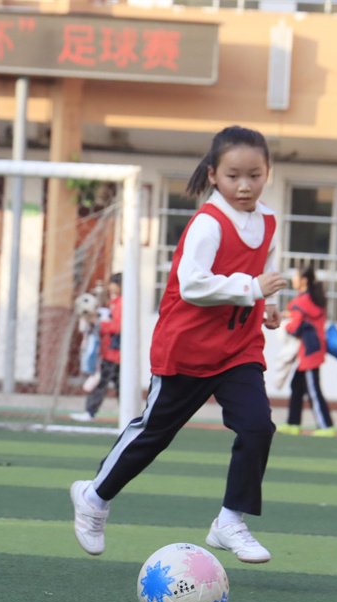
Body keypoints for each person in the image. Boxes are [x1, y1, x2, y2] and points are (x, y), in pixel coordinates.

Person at [70, 126, 287, 564]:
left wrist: (268, 301)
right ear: (213, 175)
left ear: (268, 173)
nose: (244, 185)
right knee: (155, 433)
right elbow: (192, 285)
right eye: (233, 176)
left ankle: (230, 520)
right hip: (187, 348)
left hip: (238, 348)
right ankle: (93, 497)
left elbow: (266, 269)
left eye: (255, 175)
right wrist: (251, 288)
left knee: (257, 426)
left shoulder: (268, 220)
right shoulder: (208, 223)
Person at [279, 265, 335, 437]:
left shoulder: (301, 302)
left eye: (295, 276)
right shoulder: (312, 298)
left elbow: (294, 327)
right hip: (314, 348)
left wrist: (285, 325)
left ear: (304, 281)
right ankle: (293, 423)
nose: (293, 279)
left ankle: (326, 426)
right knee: (297, 385)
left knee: (313, 390)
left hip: (309, 351)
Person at [72, 274, 122, 422]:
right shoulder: (113, 303)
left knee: (102, 382)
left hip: (113, 353)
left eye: (112, 283)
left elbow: (117, 326)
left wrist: (97, 322)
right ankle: (128, 414)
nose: (110, 287)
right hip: (109, 351)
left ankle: (90, 412)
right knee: (116, 384)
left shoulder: (121, 304)